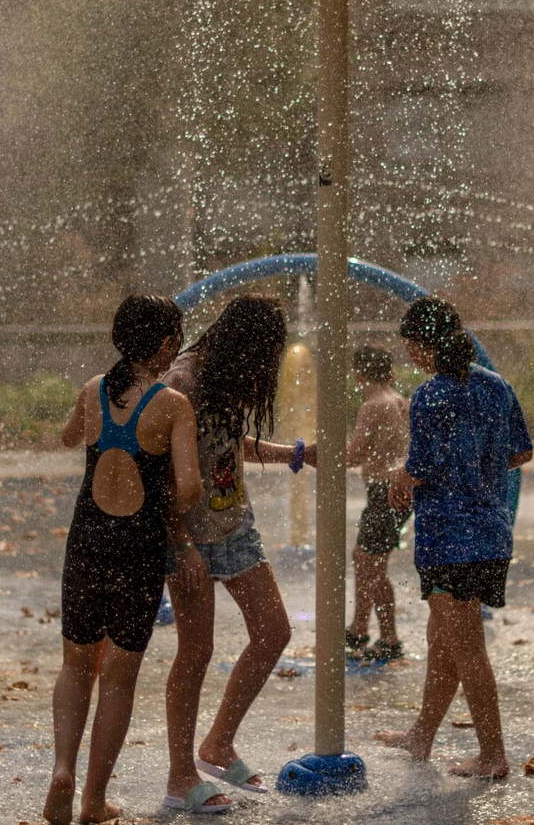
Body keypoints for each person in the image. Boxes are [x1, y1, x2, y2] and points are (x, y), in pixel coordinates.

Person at [49, 294, 204, 824]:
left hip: (85, 542)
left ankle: (61, 771)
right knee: (117, 678)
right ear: (163, 345)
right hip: (136, 549)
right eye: (175, 340)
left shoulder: (93, 390)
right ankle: (93, 801)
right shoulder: (172, 406)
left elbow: (70, 437)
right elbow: (188, 488)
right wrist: (177, 519)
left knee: (75, 665)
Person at [161, 295, 315, 806]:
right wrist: (180, 546)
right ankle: (181, 775)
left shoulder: (224, 377)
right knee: (196, 652)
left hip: (234, 525)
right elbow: (159, 470)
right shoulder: (181, 383)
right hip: (190, 536)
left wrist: (296, 454)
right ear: (243, 344)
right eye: (265, 353)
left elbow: (230, 444)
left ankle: (218, 742)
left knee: (274, 630)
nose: (267, 366)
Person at [374, 297, 532, 779]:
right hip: (491, 535)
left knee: (467, 650)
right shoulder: (497, 386)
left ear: (424, 346)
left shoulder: (431, 394)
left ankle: (493, 755)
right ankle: (422, 735)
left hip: (449, 541)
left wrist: (398, 478)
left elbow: (419, 468)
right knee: (442, 639)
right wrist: (477, 474)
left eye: (410, 347)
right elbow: (521, 453)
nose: (409, 357)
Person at [345, 345, 411, 661]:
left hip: (383, 492)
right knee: (368, 561)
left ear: (358, 374)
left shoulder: (372, 405)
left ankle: (386, 637)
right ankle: (359, 630)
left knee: (368, 563)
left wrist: (323, 452)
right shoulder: (400, 400)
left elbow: (355, 454)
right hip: (398, 492)